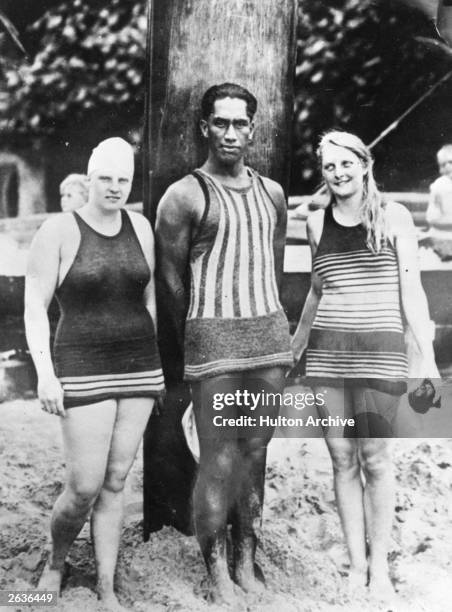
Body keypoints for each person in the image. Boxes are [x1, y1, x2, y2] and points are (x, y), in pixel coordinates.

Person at [155, 83, 293, 605]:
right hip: (212, 343)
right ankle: (215, 567)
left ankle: (246, 557)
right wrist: (199, 334)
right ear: (204, 127)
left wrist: (268, 322)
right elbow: (171, 283)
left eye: (241, 124)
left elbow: (271, 265)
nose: (231, 133)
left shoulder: (273, 192)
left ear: (253, 128)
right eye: (221, 123)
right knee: (217, 457)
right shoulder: (185, 194)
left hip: (267, 342)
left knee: (256, 452)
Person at [291, 131, 438, 602]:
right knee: (341, 459)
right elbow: (317, 291)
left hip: (381, 352)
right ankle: (356, 564)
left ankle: (379, 568)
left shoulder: (392, 216)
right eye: (329, 167)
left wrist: (427, 356)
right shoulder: (317, 223)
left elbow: (411, 290)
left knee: (376, 458)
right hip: (328, 355)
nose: (338, 173)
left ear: (364, 162)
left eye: (346, 163)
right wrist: (294, 351)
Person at [24, 137, 164, 610]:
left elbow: (149, 298)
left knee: (117, 479)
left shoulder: (141, 227)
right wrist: (45, 373)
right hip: (82, 366)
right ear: (89, 177)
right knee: (84, 484)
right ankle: (56, 561)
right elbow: (34, 309)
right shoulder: (58, 229)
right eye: (106, 178)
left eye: (124, 179)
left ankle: (105, 585)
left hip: (139, 365)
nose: (115, 187)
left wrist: (154, 359)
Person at [426, 144, 452, 228]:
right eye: (441, 165)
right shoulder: (439, 185)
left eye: (443, 165)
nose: (441, 171)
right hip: (445, 233)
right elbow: (431, 218)